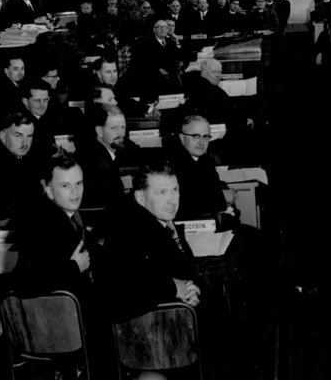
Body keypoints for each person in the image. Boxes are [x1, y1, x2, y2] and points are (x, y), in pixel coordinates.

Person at [110, 162, 201, 321]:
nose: (172, 200)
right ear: (140, 197)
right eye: (162, 192)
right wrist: (177, 289)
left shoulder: (160, 220)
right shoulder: (131, 230)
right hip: (161, 323)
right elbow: (129, 286)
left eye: (175, 190)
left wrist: (190, 290)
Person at [13, 155, 96, 300]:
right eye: (65, 185)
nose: (75, 192)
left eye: (79, 183)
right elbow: (23, 284)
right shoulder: (41, 224)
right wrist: (74, 268)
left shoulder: (71, 214)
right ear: (50, 192)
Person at [165, 115, 231, 221]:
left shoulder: (206, 160)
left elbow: (214, 188)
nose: (201, 142)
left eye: (205, 137)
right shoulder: (172, 164)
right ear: (182, 138)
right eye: (196, 136)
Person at [76, 105, 140, 211]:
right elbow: (116, 203)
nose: (120, 134)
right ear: (99, 131)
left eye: (122, 127)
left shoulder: (102, 149)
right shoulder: (97, 161)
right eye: (114, 128)